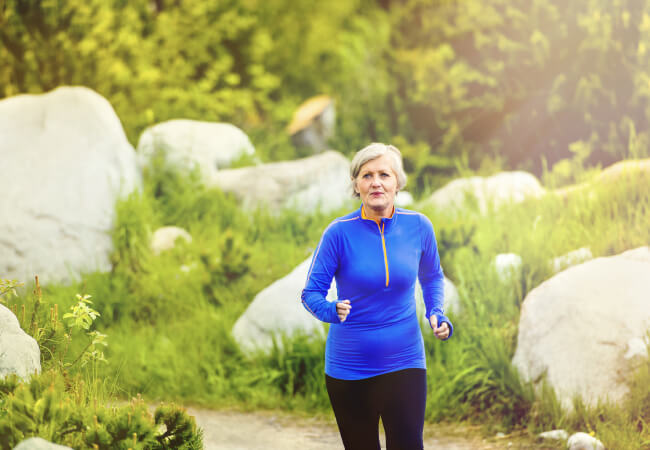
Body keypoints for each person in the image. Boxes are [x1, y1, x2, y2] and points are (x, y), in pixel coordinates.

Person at [301, 143, 453, 450]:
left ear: (397, 181)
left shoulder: (419, 226)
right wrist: (332, 311)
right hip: (349, 366)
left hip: (405, 359)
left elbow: (432, 275)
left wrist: (436, 311)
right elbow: (310, 293)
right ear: (357, 184)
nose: (376, 182)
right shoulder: (338, 233)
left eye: (384, 174)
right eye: (367, 175)